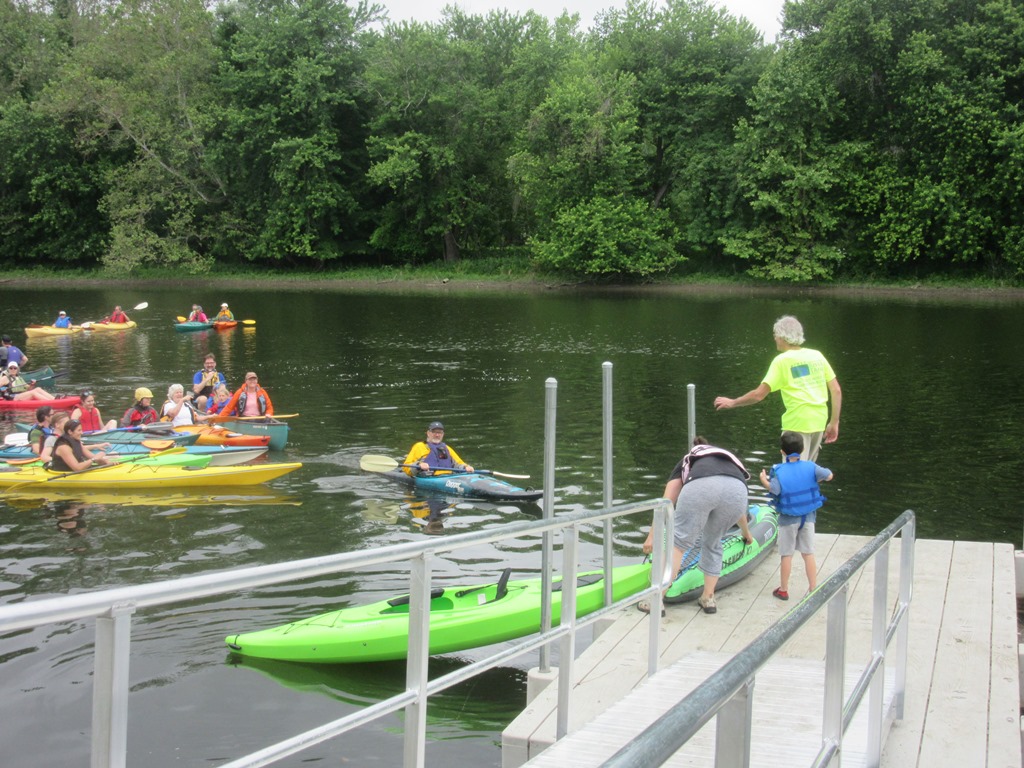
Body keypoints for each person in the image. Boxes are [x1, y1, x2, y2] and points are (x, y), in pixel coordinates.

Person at [640, 437, 753, 615]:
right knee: (714, 543)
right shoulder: (727, 459)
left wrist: (652, 536)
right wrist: (747, 535)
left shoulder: (690, 459)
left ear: (695, 448)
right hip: (738, 490)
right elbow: (741, 514)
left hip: (702, 487)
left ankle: (656, 600)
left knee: (678, 544)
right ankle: (708, 598)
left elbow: (666, 502)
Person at [713, 315, 842, 462]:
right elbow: (836, 390)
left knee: (792, 477)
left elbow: (758, 395)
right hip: (819, 421)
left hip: (796, 424)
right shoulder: (817, 356)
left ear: (782, 336)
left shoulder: (781, 361)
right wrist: (834, 422)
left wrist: (733, 402)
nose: (774, 338)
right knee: (807, 474)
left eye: (775, 335)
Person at [759, 431, 833, 600]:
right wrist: (817, 479)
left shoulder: (778, 470)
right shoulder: (811, 467)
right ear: (803, 449)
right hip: (808, 518)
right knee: (808, 553)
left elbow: (775, 490)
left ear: (782, 452)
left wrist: (764, 480)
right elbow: (829, 475)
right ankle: (814, 588)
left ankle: (783, 590)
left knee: (787, 554)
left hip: (787, 519)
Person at [403, 421, 474, 476]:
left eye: (440, 432)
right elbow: (406, 467)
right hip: (429, 478)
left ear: (443, 434)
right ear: (428, 433)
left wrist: (466, 467)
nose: (437, 435)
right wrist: (418, 465)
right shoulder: (419, 446)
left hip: (448, 477)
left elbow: (458, 463)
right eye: (434, 432)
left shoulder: (447, 448)